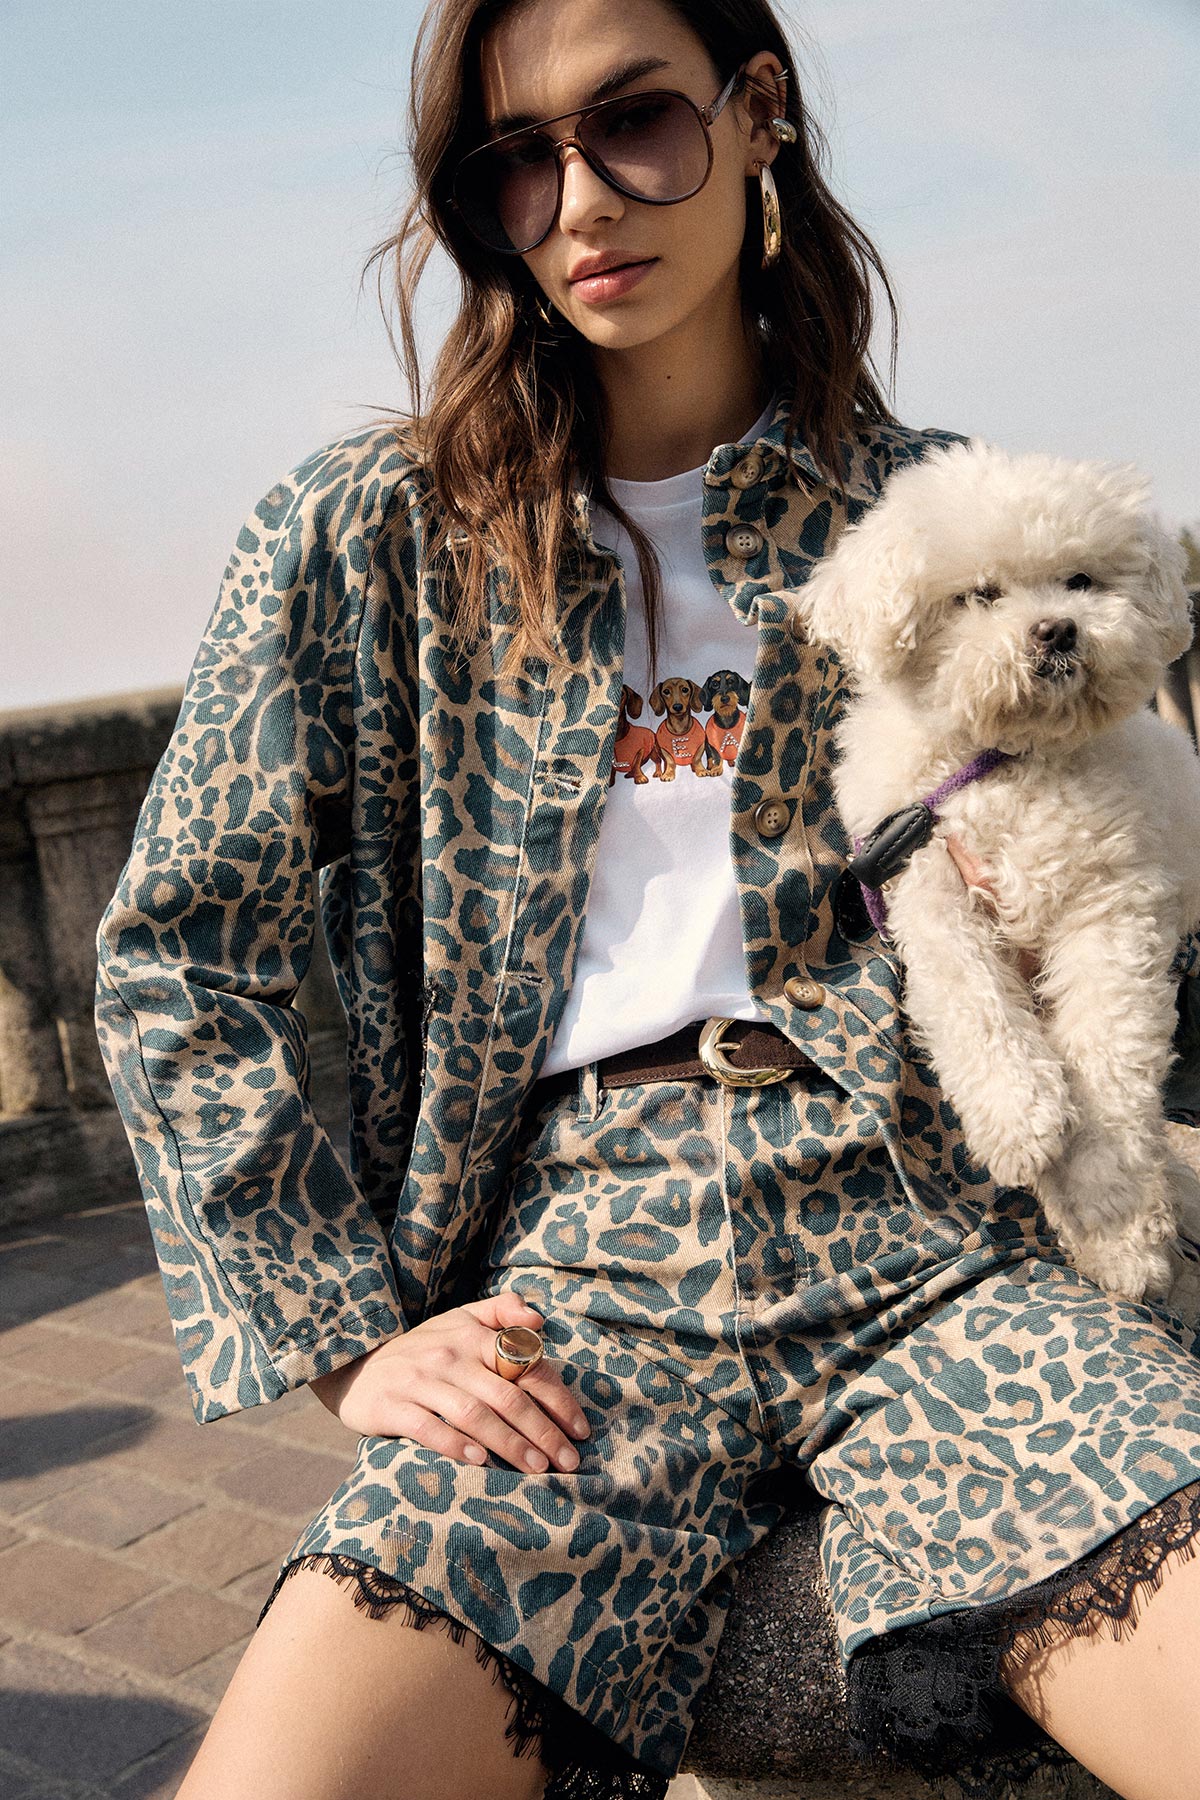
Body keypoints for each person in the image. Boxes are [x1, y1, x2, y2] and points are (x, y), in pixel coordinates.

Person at [92, 2, 1200, 1797]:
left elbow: (1131, 859)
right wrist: (337, 1336)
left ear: (757, 114)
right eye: (514, 161)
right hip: (584, 1271)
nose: (584, 198)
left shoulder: (934, 513)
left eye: (636, 124)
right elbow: (173, 953)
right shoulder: (376, 531)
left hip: (928, 1227)